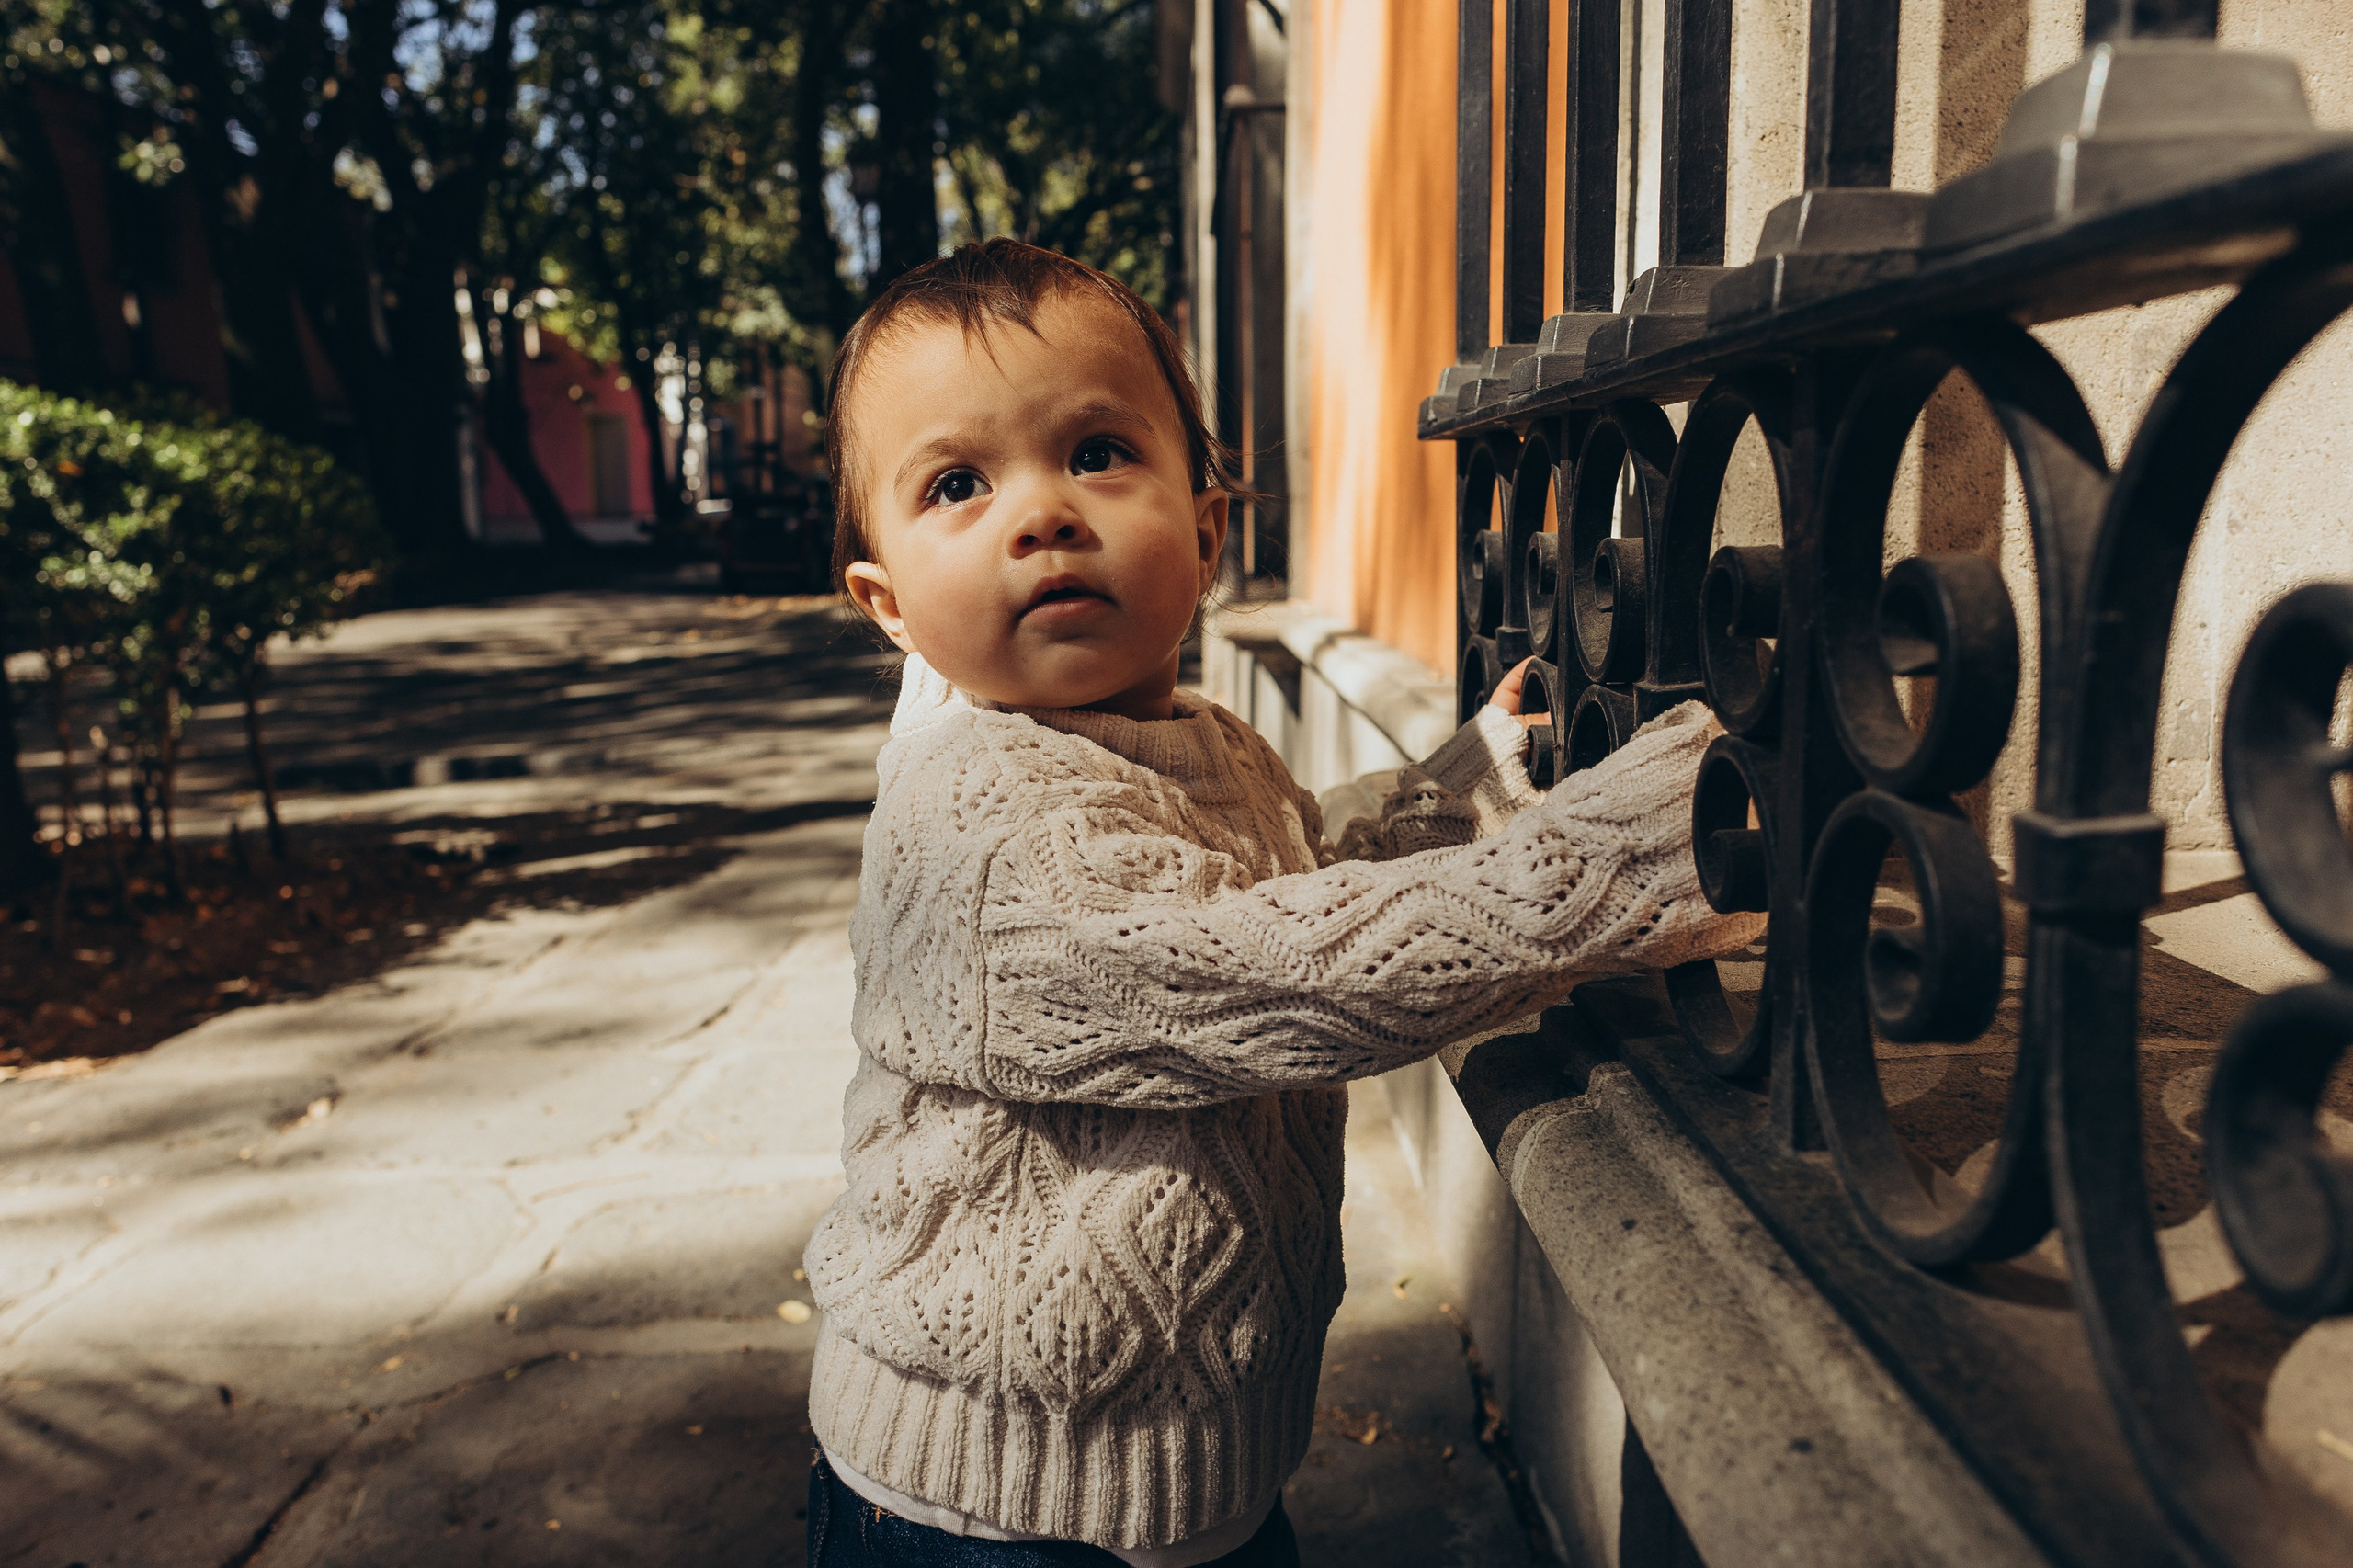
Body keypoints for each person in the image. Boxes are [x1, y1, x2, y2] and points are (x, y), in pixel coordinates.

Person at [801, 238, 1762, 1567]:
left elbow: (1295, 864)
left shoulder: (1195, 738)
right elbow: (1285, 968)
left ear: (1203, 525)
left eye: (1095, 452)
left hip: (1198, 1478)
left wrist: (1459, 781)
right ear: (888, 602)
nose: (1043, 512)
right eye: (959, 483)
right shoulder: (966, 824)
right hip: (994, 1510)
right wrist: (1628, 851)